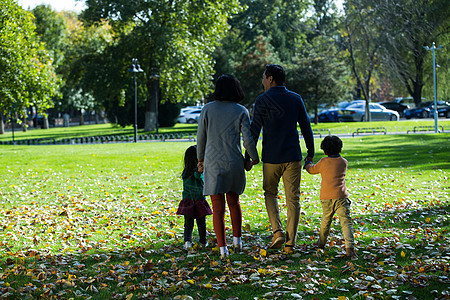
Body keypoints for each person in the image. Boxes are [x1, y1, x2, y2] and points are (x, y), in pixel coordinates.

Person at [247, 64, 314, 254]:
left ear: (270, 79)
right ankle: (290, 244)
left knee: (270, 193)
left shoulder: (262, 100)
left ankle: (277, 231)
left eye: (263, 77)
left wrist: (249, 157)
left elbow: (254, 130)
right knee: (293, 199)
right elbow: (306, 126)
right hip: (293, 156)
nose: (262, 81)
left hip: (271, 157)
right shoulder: (295, 98)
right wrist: (310, 151)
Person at [197, 74, 259, 259]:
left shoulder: (207, 109)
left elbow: (201, 138)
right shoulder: (241, 111)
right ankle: (237, 241)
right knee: (234, 202)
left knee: (217, 207)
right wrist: (253, 158)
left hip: (213, 163)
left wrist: (200, 159)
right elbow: (247, 139)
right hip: (234, 162)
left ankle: (223, 249)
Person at [304, 135, 356, 258]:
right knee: (346, 222)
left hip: (326, 198)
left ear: (325, 151)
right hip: (341, 198)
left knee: (326, 221)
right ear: (340, 150)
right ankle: (350, 248)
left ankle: (321, 244)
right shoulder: (344, 162)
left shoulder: (323, 161)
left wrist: (307, 164)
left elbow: (312, 170)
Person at [177, 145, 212, 250]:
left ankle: (187, 241)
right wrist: (201, 172)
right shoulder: (198, 173)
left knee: (188, 223)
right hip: (199, 200)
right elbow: (199, 179)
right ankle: (203, 241)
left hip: (187, 201)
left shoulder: (185, 172)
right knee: (201, 223)